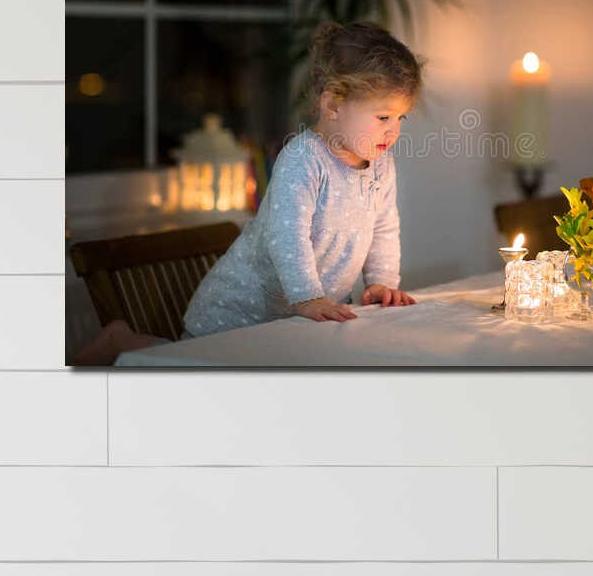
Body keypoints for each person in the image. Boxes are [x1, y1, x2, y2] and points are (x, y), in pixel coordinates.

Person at [180, 21, 420, 338]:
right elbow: (287, 233)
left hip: (305, 320)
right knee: (189, 372)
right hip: (242, 314)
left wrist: (382, 281)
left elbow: (384, 225)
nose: (394, 131)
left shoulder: (381, 163)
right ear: (333, 104)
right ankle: (120, 340)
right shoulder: (303, 160)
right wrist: (307, 296)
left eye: (400, 117)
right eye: (383, 117)